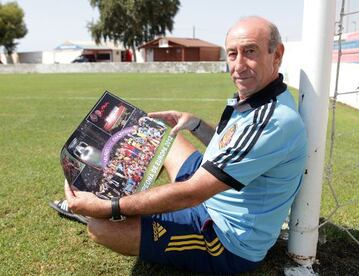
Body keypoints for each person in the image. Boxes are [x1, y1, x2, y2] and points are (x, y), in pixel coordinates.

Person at [54, 16, 307, 274]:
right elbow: (232, 151)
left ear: (277, 54)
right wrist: (196, 124)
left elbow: (192, 193)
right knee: (160, 133)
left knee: (101, 228)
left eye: (250, 51)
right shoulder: (259, 98)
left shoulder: (271, 121)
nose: (239, 65)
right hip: (215, 192)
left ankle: (99, 205)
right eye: (232, 54)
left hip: (226, 236)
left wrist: (110, 209)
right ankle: (103, 193)